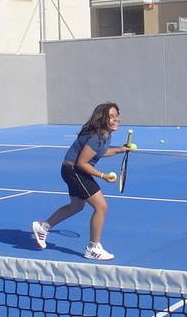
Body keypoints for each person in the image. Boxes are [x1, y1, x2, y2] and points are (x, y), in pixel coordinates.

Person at [32, 102, 131, 261]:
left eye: (116, 115)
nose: (115, 119)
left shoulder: (105, 135)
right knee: (101, 207)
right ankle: (93, 248)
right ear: (102, 119)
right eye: (110, 116)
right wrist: (103, 176)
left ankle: (43, 227)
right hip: (75, 171)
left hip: (70, 170)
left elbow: (100, 152)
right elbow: (82, 163)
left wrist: (121, 149)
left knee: (76, 206)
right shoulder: (96, 137)